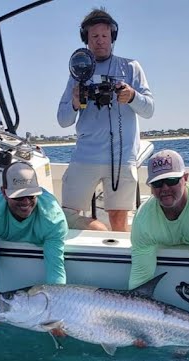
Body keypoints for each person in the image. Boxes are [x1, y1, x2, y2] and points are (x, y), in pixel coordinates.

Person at [57, 8, 154, 232]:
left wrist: (132, 96)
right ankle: (98, 233)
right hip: (86, 154)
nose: (100, 41)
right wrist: (74, 101)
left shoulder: (131, 68)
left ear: (112, 37)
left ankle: (120, 259)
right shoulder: (77, 72)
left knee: (119, 217)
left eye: (104, 36)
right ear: (86, 40)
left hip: (122, 156)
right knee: (67, 215)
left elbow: (149, 109)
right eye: (94, 37)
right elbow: (63, 120)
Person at [128, 150, 189, 323]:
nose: (165, 188)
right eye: (158, 183)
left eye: (172, 180)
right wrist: (134, 320)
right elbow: (141, 274)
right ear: (151, 187)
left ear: (186, 178)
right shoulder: (143, 219)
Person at [0, 161, 68, 325]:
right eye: (18, 195)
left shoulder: (54, 218)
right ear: (4, 192)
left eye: (31, 195)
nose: (26, 202)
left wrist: (56, 315)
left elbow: (55, 266)